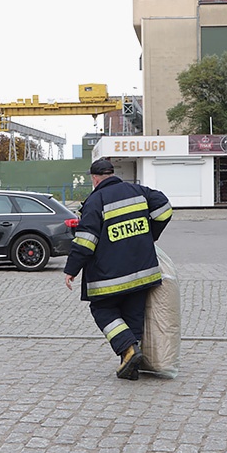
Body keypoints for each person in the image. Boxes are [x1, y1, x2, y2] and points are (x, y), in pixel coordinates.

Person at [64, 158, 173, 381]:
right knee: (133, 316)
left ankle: (128, 350)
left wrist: (71, 269)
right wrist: (150, 235)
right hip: (143, 272)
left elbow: (86, 241)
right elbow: (164, 209)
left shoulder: (95, 201)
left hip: (109, 276)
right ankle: (130, 365)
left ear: (94, 178)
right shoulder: (138, 191)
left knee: (102, 310)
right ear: (112, 174)